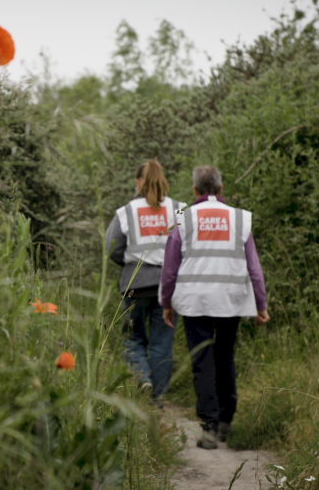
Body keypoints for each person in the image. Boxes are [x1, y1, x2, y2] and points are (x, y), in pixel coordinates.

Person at [159, 165, 269, 449]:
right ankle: (225, 422)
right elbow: (254, 268)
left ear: (194, 190)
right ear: (221, 189)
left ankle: (208, 428)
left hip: (194, 302)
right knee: (225, 357)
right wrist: (261, 305)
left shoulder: (183, 219)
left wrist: (166, 302)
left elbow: (170, 268)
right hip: (230, 301)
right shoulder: (239, 218)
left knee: (202, 362)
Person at [105, 160, 186, 399]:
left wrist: (129, 264)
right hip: (168, 288)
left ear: (138, 182)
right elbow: (188, 247)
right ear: (163, 181)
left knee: (132, 340)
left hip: (135, 285)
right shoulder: (179, 209)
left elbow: (111, 247)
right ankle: (158, 402)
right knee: (162, 345)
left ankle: (142, 379)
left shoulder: (126, 211)